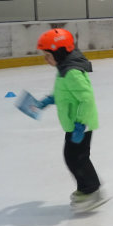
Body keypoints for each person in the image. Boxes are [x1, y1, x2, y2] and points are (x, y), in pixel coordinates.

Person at [34, 28, 105, 213]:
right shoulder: (64, 68)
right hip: (75, 123)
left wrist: (80, 124)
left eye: (48, 55)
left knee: (77, 158)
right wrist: (48, 100)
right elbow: (64, 92)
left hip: (81, 123)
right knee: (73, 157)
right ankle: (86, 188)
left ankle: (91, 190)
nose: (45, 59)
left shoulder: (71, 72)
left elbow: (86, 98)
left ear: (59, 53)